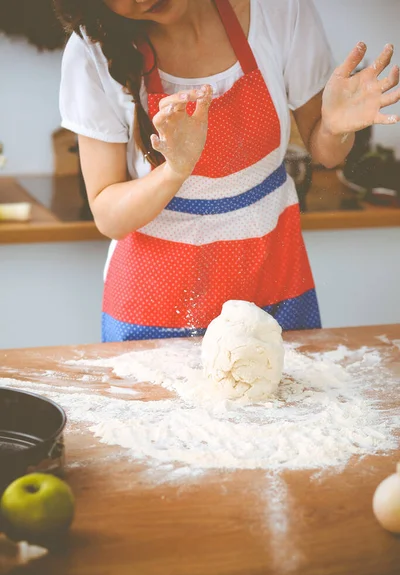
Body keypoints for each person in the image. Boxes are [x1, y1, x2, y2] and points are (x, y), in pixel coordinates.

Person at [55, 0, 400, 342]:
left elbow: (325, 152)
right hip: (155, 303)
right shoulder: (92, 52)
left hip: (273, 281)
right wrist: (174, 171)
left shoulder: (278, 10)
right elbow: (108, 215)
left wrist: (337, 127)